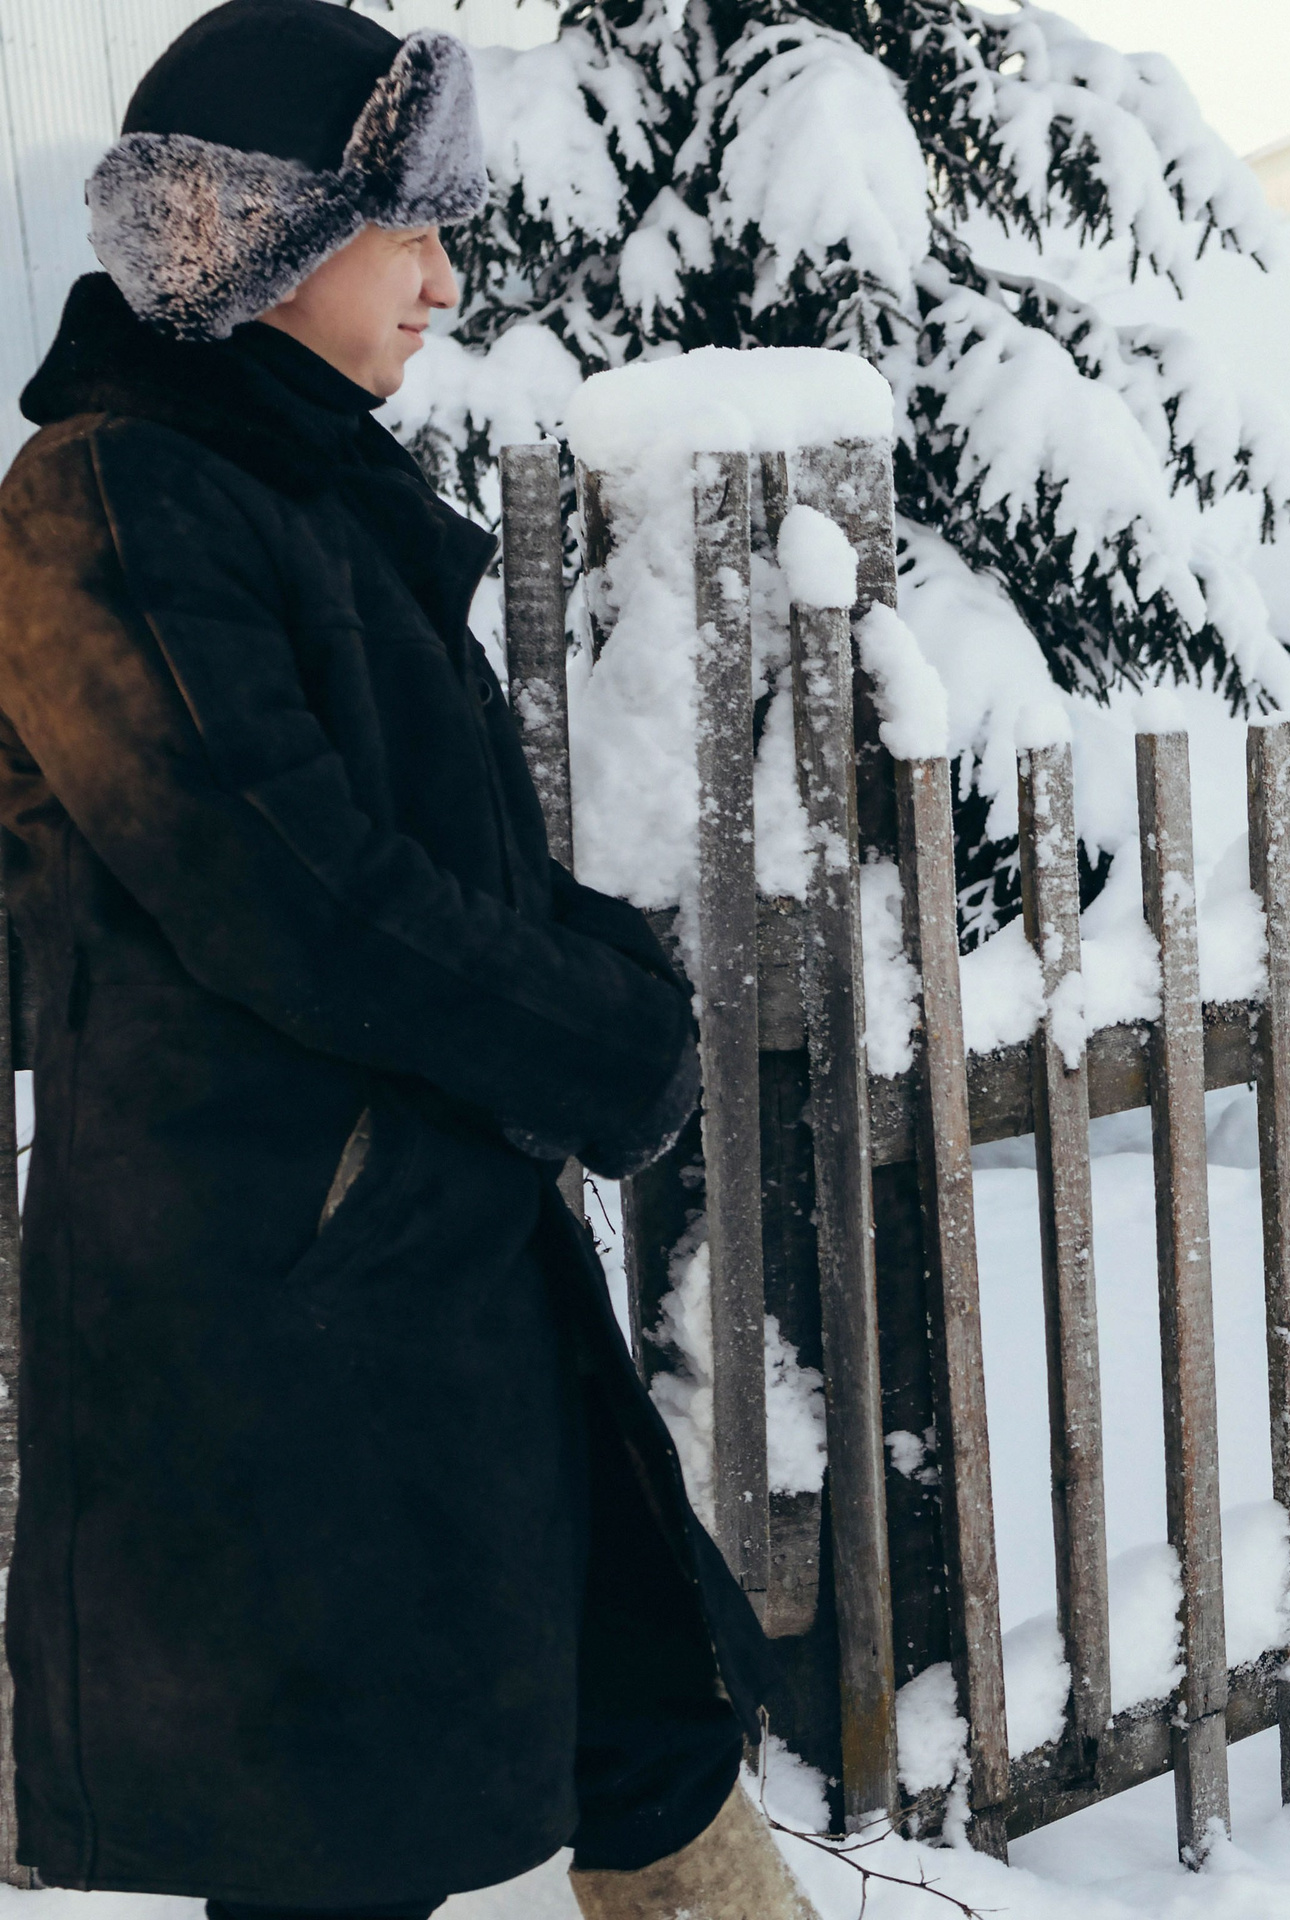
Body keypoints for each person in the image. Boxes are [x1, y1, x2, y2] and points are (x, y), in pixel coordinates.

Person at [0, 3, 814, 1914]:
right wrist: (597, 1037)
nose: (448, 280)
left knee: (637, 1716)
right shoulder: (108, 504)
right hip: (273, 1287)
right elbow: (291, 888)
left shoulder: (307, 489)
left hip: (417, 1247)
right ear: (256, 236)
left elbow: (445, 864)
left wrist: (602, 969)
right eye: (406, 230)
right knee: (326, 1833)